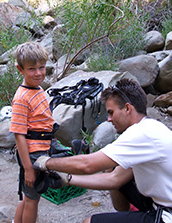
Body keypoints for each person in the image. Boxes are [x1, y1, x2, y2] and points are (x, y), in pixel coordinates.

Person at [34, 78, 172, 223]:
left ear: (127, 109)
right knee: (113, 169)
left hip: (166, 215)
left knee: (89, 222)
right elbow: (115, 179)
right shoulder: (151, 128)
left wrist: (46, 163)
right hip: (159, 204)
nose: (109, 119)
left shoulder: (142, 133)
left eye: (111, 113)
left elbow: (87, 165)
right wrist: (68, 179)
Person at [9, 41, 55, 223]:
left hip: (40, 150)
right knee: (32, 201)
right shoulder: (21, 98)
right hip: (32, 154)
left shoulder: (37, 89)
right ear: (20, 69)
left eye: (41, 67)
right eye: (31, 69)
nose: (38, 73)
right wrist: (28, 168)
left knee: (28, 197)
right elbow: (18, 133)